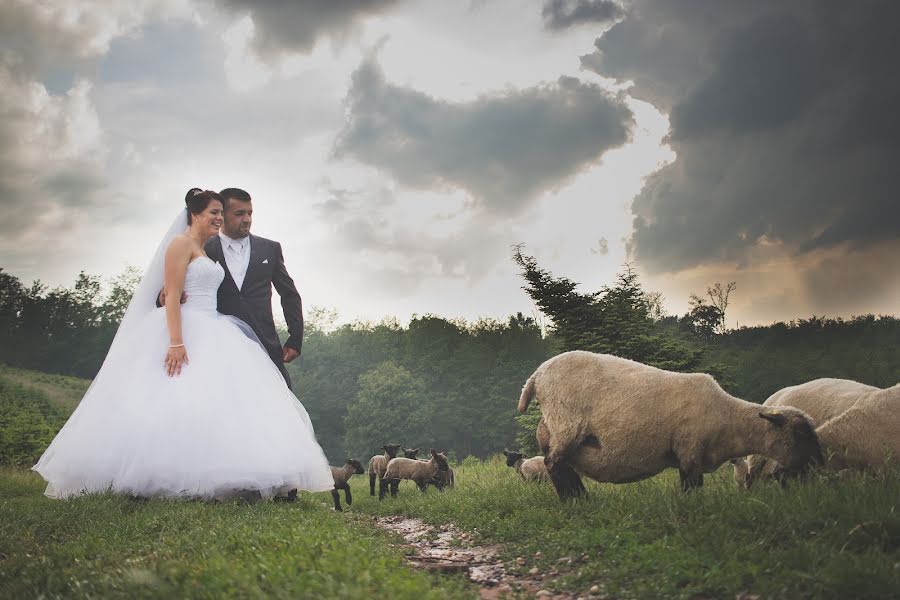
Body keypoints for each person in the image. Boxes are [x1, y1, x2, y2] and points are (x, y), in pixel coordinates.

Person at [32, 189, 334, 500]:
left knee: (254, 407)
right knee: (187, 404)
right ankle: (183, 479)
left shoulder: (249, 248)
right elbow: (170, 290)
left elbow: (288, 292)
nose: (232, 218)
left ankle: (270, 483)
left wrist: (295, 337)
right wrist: (170, 320)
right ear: (202, 214)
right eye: (223, 213)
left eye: (244, 213)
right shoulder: (196, 244)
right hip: (194, 331)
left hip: (241, 334)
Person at [161, 187, 302, 388]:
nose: (247, 219)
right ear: (224, 214)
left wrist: (295, 336)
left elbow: (289, 293)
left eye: (250, 213)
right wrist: (163, 296)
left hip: (264, 341)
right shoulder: (203, 247)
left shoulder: (270, 249)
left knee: (279, 399)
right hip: (214, 343)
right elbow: (173, 285)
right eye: (239, 213)